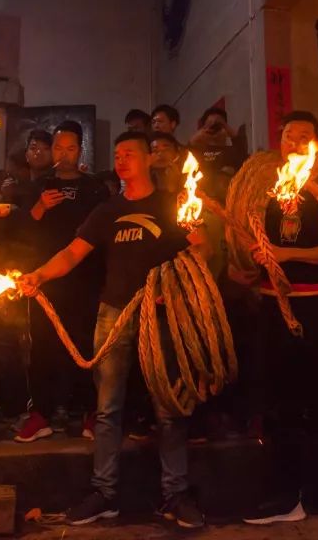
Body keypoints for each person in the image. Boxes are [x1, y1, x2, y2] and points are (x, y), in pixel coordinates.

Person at [18, 132, 207, 529]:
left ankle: (176, 494)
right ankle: (104, 494)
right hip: (113, 314)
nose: (121, 161)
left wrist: (172, 289)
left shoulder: (174, 204)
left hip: (163, 314)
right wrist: (38, 274)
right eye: (116, 155)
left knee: (169, 409)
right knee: (107, 410)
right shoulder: (108, 210)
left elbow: (200, 250)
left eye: (130, 154)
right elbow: (72, 252)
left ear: (148, 161)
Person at [234, 111, 318, 540]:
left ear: (317, 144)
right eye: (288, 135)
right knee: (280, 406)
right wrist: (252, 259)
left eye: (304, 136)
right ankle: (286, 497)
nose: (294, 141)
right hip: (275, 308)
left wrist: (285, 256)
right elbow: (250, 246)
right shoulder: (267, 191)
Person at [16, 121, 109, 443]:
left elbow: (104, 233)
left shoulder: (96, 187)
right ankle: (41, 413)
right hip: (47, 280)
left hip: (86, 280)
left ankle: (89, 411)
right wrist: (41, 206)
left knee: (86, 343)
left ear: (80, 150)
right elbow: (22, 231)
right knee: (43, 346)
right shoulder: (36, 186)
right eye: (59, 148)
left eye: (71, 149)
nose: (64, 155)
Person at [188, 107, 248, 200]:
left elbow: (243, 153)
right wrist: (197, 137)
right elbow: (183, 156)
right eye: (209, 125)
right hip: (202, 201)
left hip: (229, 199)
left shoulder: (232, 151)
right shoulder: (197, 153)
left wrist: (225, 126)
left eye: (218, 126)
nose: (214, 128)